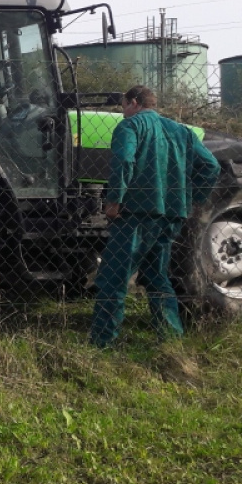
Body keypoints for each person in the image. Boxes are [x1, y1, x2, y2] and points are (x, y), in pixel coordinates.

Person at [90, 85, 220, 347]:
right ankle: (171, 338)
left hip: (137, 215)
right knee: (156, 276)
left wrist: (114, 200)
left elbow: (124, 161)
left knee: (114, 277)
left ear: (134, 102)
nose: (123, 112)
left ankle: (103, 341)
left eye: (124, 106)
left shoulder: (130, 127)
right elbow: (211, 166)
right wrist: (193, 199)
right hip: (171, 216)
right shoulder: (182, 131)